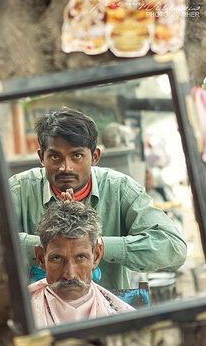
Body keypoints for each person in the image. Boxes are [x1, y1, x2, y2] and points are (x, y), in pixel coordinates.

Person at [10, 106, 187, 290]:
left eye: (76, 155)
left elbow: (173, 247)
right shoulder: (17, 191)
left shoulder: (121, 189)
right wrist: (48, 246)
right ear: (41, 156)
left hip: (108, 312)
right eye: (55, 156)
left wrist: (96, 245)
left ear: (95, 156)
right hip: (40, 313)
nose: (66, 167)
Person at [29, 201, 135, 328]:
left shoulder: (123, 321)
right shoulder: (17, 321)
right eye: (57, 258)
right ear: (41, 258)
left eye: (80, 257)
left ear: (96, 256)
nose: (70, 274)